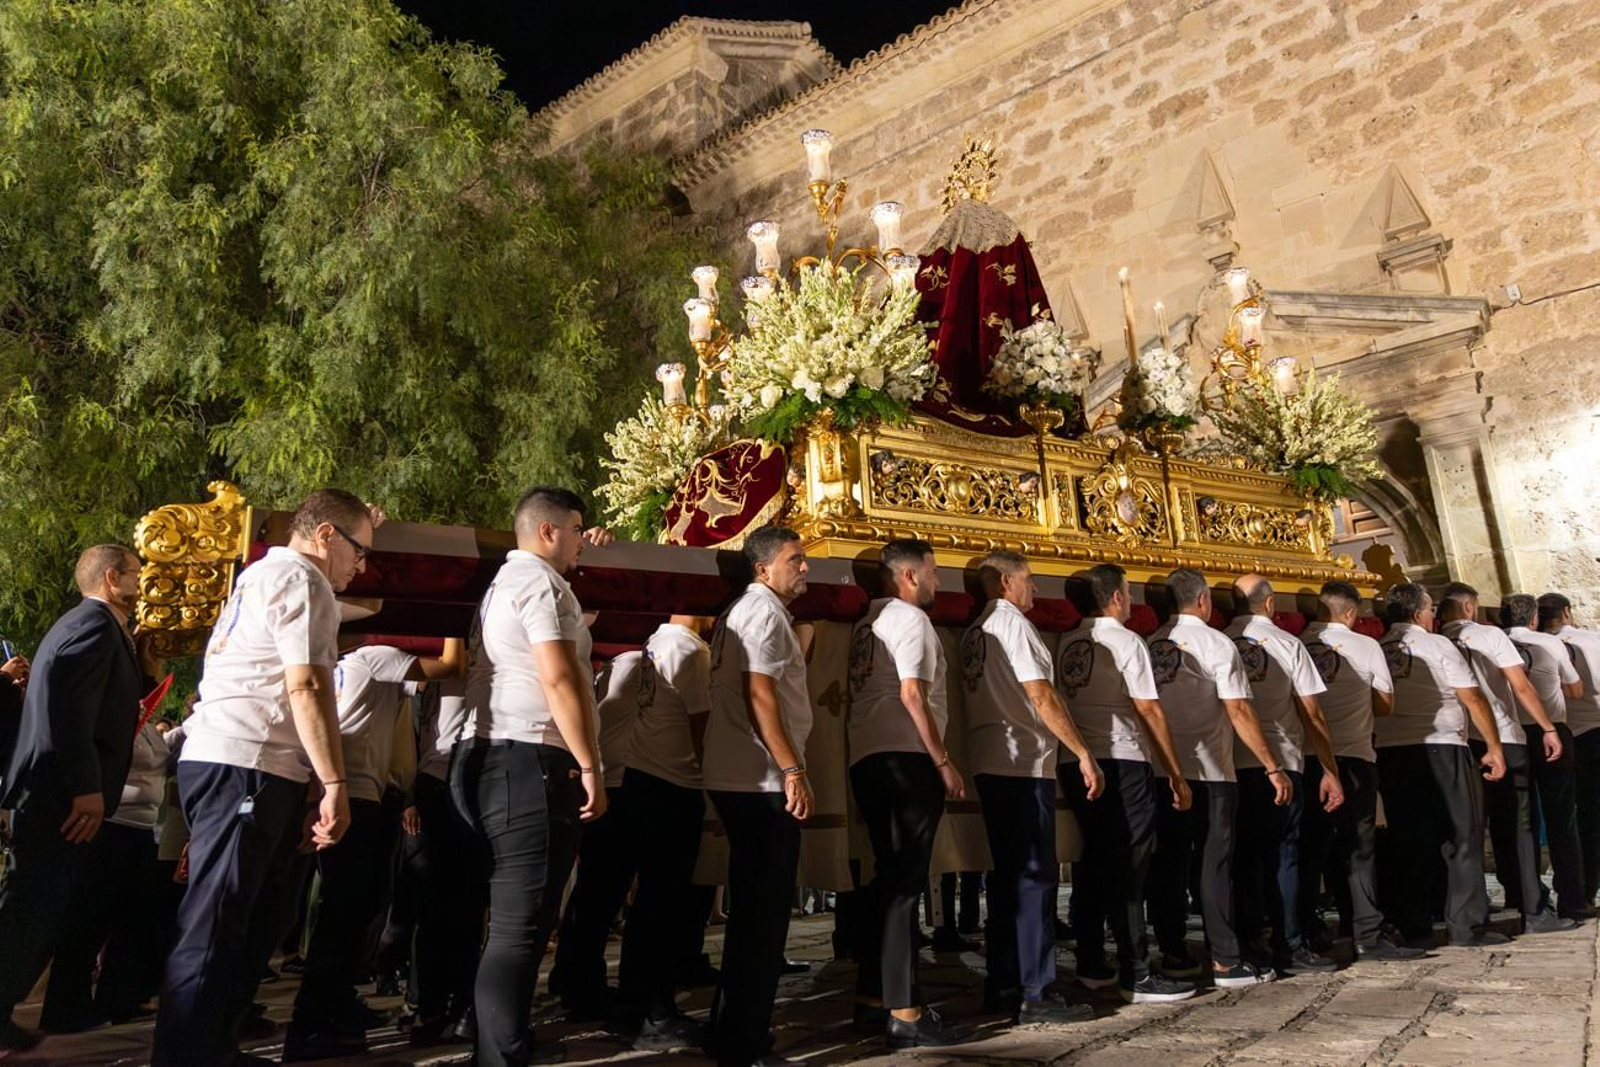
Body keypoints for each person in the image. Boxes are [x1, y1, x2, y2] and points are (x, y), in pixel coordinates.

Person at [153, 488, 372, 1067]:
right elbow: (306, 685)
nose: (361, 564)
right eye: (359, 549)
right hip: (243, 762)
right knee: (218, 919)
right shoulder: (304, 581)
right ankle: (185, 1055)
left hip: (242, 761)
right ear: (326, 535)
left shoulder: (260, 574)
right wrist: (334, 783)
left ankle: (215, 1044)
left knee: (249, 920)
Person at [453, 487, 606, 1067]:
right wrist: (589, 763)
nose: (579, 544)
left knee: (520, 921)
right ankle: (503, 1054)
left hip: (496, 755)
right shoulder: (539, 583)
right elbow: (559, 676)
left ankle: (501, 1041)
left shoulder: (505, 583)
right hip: (527, 757)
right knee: (520, 926)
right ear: (548, 531)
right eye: (575, 530)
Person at [285, 637, 464, 1061]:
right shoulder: (376, 656)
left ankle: (334, 1009)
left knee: (351, 912)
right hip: (359, 795)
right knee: (347, 914)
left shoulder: (346, 663)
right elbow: (450, 666)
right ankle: (312, 1023)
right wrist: (453, 620)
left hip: (362, 791)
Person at [0, 545, 146, 1057]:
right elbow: (70, 713)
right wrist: (87, 789)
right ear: (112, 578)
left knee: (37, 908)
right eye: (136, 572)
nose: (143, 579)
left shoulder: (87, 626)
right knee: (34, 910)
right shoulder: (94, 627)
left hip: (53, 792)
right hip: (61, 796)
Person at [959, 550, 1103, 1023]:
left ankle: (1004, 983)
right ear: (1004, 582)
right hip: (1020, 763)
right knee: (1035, 877)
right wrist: (1081, 752)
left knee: (1008, 878)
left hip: (991, 759)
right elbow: (1040, 693)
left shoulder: (977, 630)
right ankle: (1035, 989)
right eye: (1029, 580)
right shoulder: (1013, 625)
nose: (1036, 589)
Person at [843, 538, 973, 1047]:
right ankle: (907, 1010)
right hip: (907, 758)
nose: (939, 582)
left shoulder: (866, 623)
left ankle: (873, 999)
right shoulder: (909, 619)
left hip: (868, 757)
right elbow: (912, 693)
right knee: (903, 884)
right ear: (910, 576)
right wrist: (943, 761)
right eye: (934, 573)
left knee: (885, 880)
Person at [1054, 563, 1195, 1004]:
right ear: (1115, 597)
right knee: (1131, 867)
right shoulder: (1126, 640)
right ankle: (1136, 968)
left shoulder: (1067, 642)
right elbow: (1149, 710)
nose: (1131, 600)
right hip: (1123, 759)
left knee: (1094, 863)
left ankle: (1093, 963)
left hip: (1078, 762)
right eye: (1128, 593)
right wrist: (1174, 770)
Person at [1146, 567, 1290, 989]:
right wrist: (1272, 765)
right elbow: (1239, 709)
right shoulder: (1215, 642)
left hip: (1162, 770)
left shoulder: (1152, 644)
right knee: (1214, 865)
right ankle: (1226, 959)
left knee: (1169, 865)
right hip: (1210, 771)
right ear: (1204, 600)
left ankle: (1174, 953)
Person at [702, 525, 813, 1067]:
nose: (805, 568)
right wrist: (792, 767)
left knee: (751, 912)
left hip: (737, 773)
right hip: (762, 778)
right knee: (763, 917)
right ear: (764, 568)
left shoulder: (738, 611)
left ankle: (730, 1028)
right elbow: (759, 693)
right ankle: (744, 1039)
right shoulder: (764, 612)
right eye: (796, 559)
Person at [1374, 583, 1508, 947]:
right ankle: (1466, 925)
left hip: (1390, 751)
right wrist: (1494, 746)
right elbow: (1471, 696)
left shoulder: (1379, 648)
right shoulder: (1436, 644)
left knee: (1410, 838)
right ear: (1419, 613)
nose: (1434, 615)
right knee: (1462, 834)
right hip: (1441, 746)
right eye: (1431, 609)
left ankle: (1416, 924)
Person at [1223, 575, 1345, 974]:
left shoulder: (1221, 641)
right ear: (1271, 604)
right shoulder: (1287, 644)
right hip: (1280, 761)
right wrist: (1328, 767)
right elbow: (1312, 712)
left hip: (1229, 762)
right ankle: (1290, 943)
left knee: (1243, 858)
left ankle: (1247, 941)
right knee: (1284, 855)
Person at [1437, 583, 1572, 933]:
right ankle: (1534, 909)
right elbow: (1520, 685)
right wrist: (1547, 727)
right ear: (1470, 606)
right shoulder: (1488, 635)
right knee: (1519, 824)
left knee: (1480, 826)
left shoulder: (1436, 640)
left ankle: (1498, 899)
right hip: (1504, 736)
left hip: (1464, 740)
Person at [1299, 582, 1421, 961]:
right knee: (1359, 846)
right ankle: (1365, 929)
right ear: (1350, 613)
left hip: (1306, 758)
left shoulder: (1297, 643)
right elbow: (1385, 704)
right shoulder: (1365, 646)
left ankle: (1310, 931)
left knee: (1313, 850)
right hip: (1352, 754)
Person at [613, 616, 716, 1047]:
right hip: (674, 782)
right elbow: (701, 724)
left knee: (650, 904)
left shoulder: (655, 638)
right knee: (666, 903)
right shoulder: (690, 649)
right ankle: (656, 1009)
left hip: (643, 776)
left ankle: (634, 1003)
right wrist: (716, 782)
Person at [40, 712, 171, 1031]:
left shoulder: (150, 727)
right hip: (109, 825)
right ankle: (66, 1007)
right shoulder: (106, 719)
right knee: (89, 919)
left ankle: (121, 999)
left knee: (132, 919)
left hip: (143, 828)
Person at [406, 673, 483, 1047]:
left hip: (456, 779)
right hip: (442, 779)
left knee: (459, 906)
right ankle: (434, 1006)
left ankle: (450, 1004)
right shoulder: (450, 666)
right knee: (444, 906)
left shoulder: (446, 670)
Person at [1502, 592, 1588, 919]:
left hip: (1512, 735)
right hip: (1551, 729)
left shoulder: (1493, 643)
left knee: (1519, 820)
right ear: (1533, 618)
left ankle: (1522, 897)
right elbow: (1576, 688)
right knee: (1562, 817)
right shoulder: (1549, 644)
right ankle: (1573, 900)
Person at [1540, 592, 1600, 907]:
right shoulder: (1593, 639)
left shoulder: (1538, 647)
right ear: (1566, 612)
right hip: (1596, 729)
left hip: (1565, 735)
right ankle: (1585, 888)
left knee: (1570, 817)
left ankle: (1575, 888)